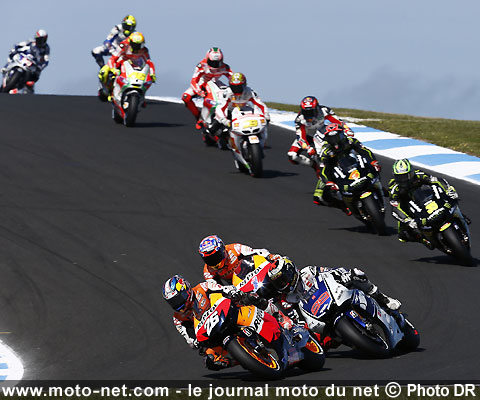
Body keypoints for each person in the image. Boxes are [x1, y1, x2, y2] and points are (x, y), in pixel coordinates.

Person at [266, 258, 401, 349]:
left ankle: (383, 298)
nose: (283, 284)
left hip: (334, 295)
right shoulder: (288, 299)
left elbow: (329, 271)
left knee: (357, 274)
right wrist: (302, 327)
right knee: (318, 343)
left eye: (284, 279)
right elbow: (294, 317)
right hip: (319, 318)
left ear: (291, 271)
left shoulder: (308, 271)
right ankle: (353, 338)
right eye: (279, 283)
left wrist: (344, 275)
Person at [162, 274, 238, 370]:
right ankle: (241, 361)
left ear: (185, 289)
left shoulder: (202, 287)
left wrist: (231, 291)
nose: (177, 303)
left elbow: (222, 289)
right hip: (214, 334)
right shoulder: (178, 318)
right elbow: (189, 338)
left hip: (227, 315)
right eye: (173, 302)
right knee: (210, 361)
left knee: (244, 299)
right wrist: (194, 342)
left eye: (178, 298)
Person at [388, 158, 465, 249]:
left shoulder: (418, 174)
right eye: (399, 177)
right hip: (408, 206)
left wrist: (449, 189)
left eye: (405, 176)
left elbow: (436, 180)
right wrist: (408, 220)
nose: (402, 180)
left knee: (451, 197)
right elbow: (394, 208)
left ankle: (459, 216)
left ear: (411, 173)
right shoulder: (393, 187)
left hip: (426, 197)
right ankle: (423, 239)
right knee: (403, 235)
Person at [313, 123, 382, 215]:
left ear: (342, 135)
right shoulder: (326, 150)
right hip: (336, 170)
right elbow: (324, 167)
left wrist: (374, 162)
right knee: (318, 197)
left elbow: (364, 151)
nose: (335, 141)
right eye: (332, 139)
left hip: (354, 163)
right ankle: (344, 206)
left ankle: (379, 187)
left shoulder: (350, 141)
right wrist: (328, 181)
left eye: (337, 137)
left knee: (373, 169)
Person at [287, 96, 352, 177]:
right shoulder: (299, 119)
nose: (308, 114)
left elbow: (338, 121)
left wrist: (347, 129)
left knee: (339, 144)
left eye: (311, 111)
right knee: (292, 156)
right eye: (305, 112)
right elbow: (301, 137)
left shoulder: (324, 110)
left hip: (323, 134)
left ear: (316, 108)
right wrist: (308, 148)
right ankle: (313, 165)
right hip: (308, 137)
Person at [198, 235, 281, 291]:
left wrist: (270, 256)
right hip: (238, 288)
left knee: (275, 276)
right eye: (209, 259)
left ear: (223, 250)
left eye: (216, 256)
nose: (213, 261)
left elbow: (256, 251)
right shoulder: (208, 272)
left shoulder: (235, 248)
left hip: (253, 273)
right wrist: (228, 290)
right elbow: (215, 288)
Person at [182, 48, 233, 130]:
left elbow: (232, 78)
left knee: (224, 97)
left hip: (215, 84)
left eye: (217, 63)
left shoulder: (225, 67)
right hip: (201, 84)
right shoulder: (201, 65)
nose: (214, 66)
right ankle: (198, 117)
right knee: (185, 97)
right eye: (212, 62)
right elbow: (193, 81)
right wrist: (199, 91)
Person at [98, 32, 156, 97]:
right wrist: (113, 69)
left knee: (147, 79)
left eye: (139, 45)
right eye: (135, 45)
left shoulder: (144, 50)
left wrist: (152, 74)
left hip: (134, 67)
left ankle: (141, 94)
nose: (137, 47)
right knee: (104, 71)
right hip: (120, 64)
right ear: (130, 42)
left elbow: (149, 62)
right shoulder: (123, 46)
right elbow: (112, 59)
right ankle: (106, 89)